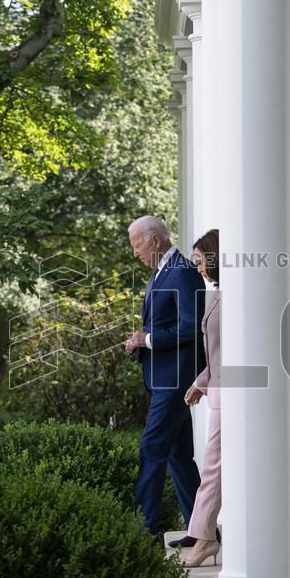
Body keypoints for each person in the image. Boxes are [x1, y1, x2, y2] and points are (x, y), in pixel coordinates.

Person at [123, 216, 206, 540]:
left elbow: (190, 326)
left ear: (155, 240)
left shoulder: (182, 272)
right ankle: (203, 532)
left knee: (151, 449)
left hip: (174, 381)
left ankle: (142, 532)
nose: (135, 253)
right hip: (165, 378)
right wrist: (142, 338)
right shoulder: (162, 272)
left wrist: (148, 340)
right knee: (178, 455)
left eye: (137, 245)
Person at [182, 229, 222, 567]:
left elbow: (229, 355)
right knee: (213, 466)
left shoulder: (231, 298)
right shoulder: (217, 294)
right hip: (219, 391)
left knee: (212, 467)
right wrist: (200, 382)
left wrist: (205, 382)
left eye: (200, 261)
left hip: (231, 394)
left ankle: (205, 538)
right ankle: (204, 536)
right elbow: (217, 355)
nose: (197, 268)